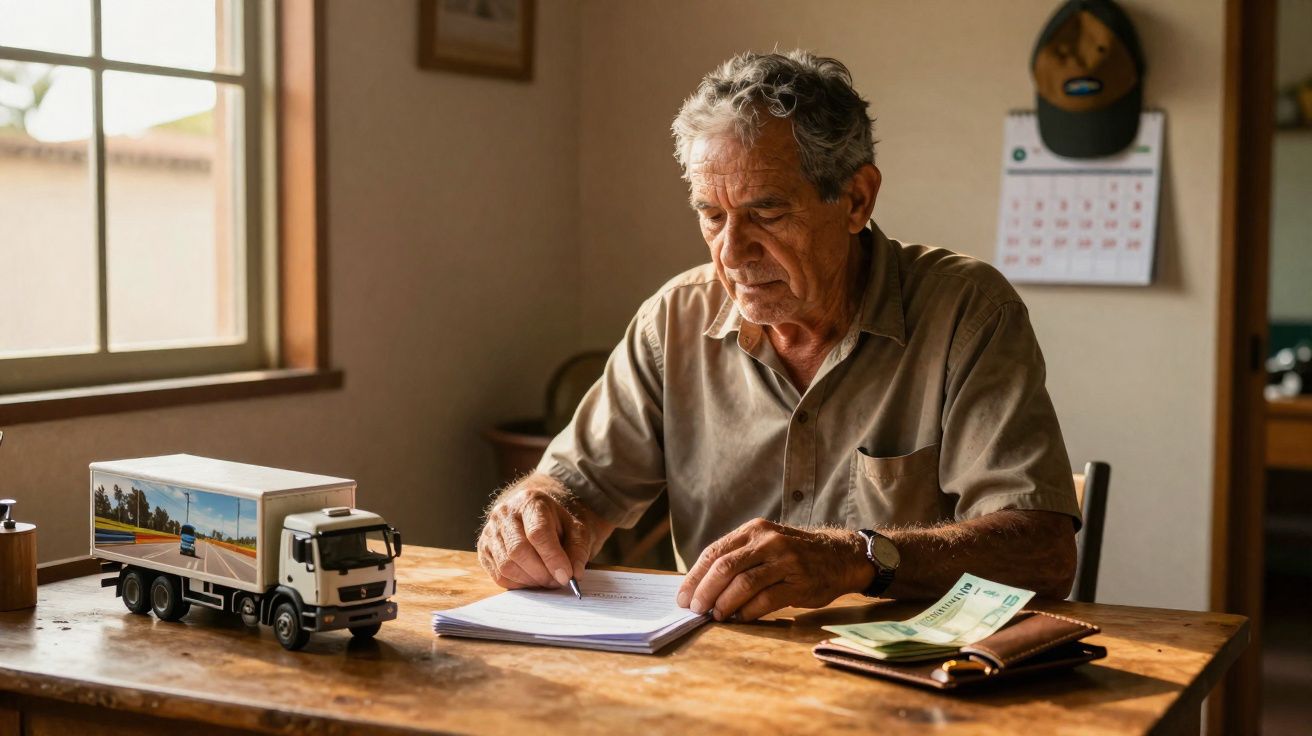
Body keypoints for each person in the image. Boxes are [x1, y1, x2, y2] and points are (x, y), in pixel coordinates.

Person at [477, 50, 1081, 622]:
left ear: (856, 199)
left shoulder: (966, 312)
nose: (732, 253)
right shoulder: (674, 321)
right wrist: (533, 511)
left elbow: (1043, 552)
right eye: (711, 215)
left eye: (767, 213)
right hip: (719, 678)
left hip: (914, 688)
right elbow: (574, 489)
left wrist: (857, 559)